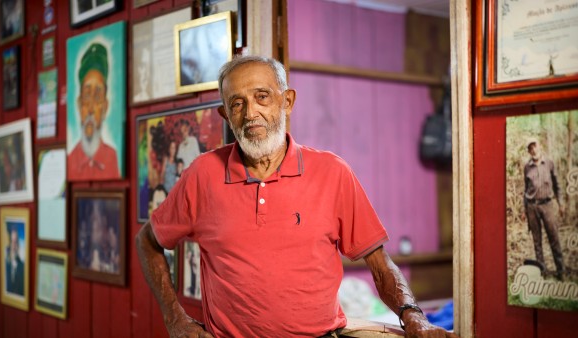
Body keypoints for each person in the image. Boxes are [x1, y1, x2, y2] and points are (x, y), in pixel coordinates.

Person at [136, 56, 458, 338]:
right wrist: (174, 318)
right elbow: (148, 241)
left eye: (262, 97)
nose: (251, 113)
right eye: (237, 103)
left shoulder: (333, 172)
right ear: (225, 115)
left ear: (287, 101)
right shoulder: (202, 174)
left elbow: (380, 265)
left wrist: (413, 316)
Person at [68, 42, 120, 180]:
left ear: (105, 106)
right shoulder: (70, 159)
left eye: (97, 97)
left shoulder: (112, 158)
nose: (90, 109)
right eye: (86, 95)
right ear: (79, 104)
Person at [521, 138, 565, 280]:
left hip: (547, 205)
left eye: (535, 147)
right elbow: (525, 189)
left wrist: (561, 203)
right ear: (528, 151)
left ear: (540, 147)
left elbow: (557, 185)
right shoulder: (527, 167)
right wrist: (524, 210)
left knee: (554, 237)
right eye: (530, 148)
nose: (533, 150)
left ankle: (561, 271)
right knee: (537, 241)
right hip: (532, 207)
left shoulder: (549, 163)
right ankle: (543, 272)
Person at [5, 224, 24, 296]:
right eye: (12, 242)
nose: (14, 246)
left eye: (16, 242)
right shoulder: (5, 264)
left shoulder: (22, 266)